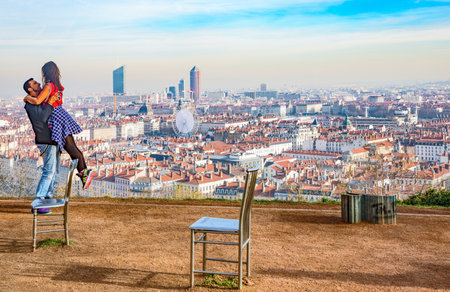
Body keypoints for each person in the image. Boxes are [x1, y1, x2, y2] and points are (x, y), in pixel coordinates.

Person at [24, 61, 93, 189]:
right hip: (61, 114)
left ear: (46, 72)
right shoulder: (57, 85)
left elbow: (38, 100)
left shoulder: (48, 86)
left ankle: (85, 173)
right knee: (72, 146)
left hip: (56, 116)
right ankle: (85, 172)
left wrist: (27, 98)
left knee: (71, 147)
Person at [23, 78, 60, 214]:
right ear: (30, 89)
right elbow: (43, 118)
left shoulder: (36, 101)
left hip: (52, 139)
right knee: (48, 171)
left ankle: (47, 197)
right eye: (35, 83)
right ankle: (37, 203)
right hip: (45, 141)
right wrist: (50, 103)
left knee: (53, 170)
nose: (39, 83)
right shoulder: (30, 105)